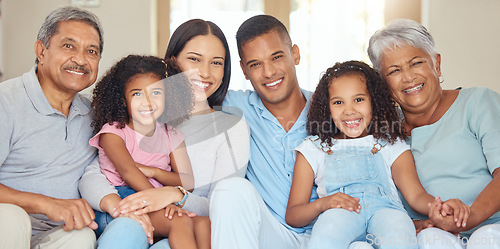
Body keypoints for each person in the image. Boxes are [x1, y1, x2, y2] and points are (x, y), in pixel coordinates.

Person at [208, 15, 371, 249]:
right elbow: (167, 99)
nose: (269, 72)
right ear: (244, 70)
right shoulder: (234, 106)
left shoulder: (335, 110)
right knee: (231, 190)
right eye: (255, 64)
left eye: (276, 57)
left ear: (295, 53)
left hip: (332, 235)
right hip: (269, 234)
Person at [0, 6, 150, 249]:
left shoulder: (96, 113)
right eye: (68, 46)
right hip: (8, 227)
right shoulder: (6, 101)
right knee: (10, 217)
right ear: (41, 51)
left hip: (58, 232)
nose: (80, 60)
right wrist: (47, 203)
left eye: (91, 51)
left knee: (81, 236)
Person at [285, 60, 469, 249]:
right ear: (327, 108)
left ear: (374, 101)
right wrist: (323, 204)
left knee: (400, 237)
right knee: (324, 238)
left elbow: (416, 196)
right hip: (339, 213)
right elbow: (293, 215)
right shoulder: (313, 148)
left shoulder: (390, 144)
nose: (349, 111)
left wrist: (440, 207)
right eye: (338, 102)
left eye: (358, 99)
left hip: (386, 212)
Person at [110, 19, 250, 248]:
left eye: (216, 63)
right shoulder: (142, 112)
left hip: (188, 232)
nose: (204, 72)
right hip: (129, 218)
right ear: (172, 61)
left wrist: (176, 195)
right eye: (194, 59)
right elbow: (100, 166)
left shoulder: (230, 127)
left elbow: (223, 207)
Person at [368, 19, 500, 249]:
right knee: (429, 240)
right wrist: (412, 224)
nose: (408, 77)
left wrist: (468, 217)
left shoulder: (479, 102)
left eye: (416, 63)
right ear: (382, 84)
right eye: (394, 70)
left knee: (484, 239)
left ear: (436, 64)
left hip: (491, 227)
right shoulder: (383, 133)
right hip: (432, 235)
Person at [89, 54, 211, 249]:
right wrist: (159, 201)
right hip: (122, 201)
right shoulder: (113, 133)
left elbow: (188, 182)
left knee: (205, 224)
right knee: (180, 221)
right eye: (137, 94)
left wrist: (155, 172)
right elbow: (128, 172)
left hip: (155, 200)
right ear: (123, 101)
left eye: (156, 93)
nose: (147, 101)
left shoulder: (172, 134)